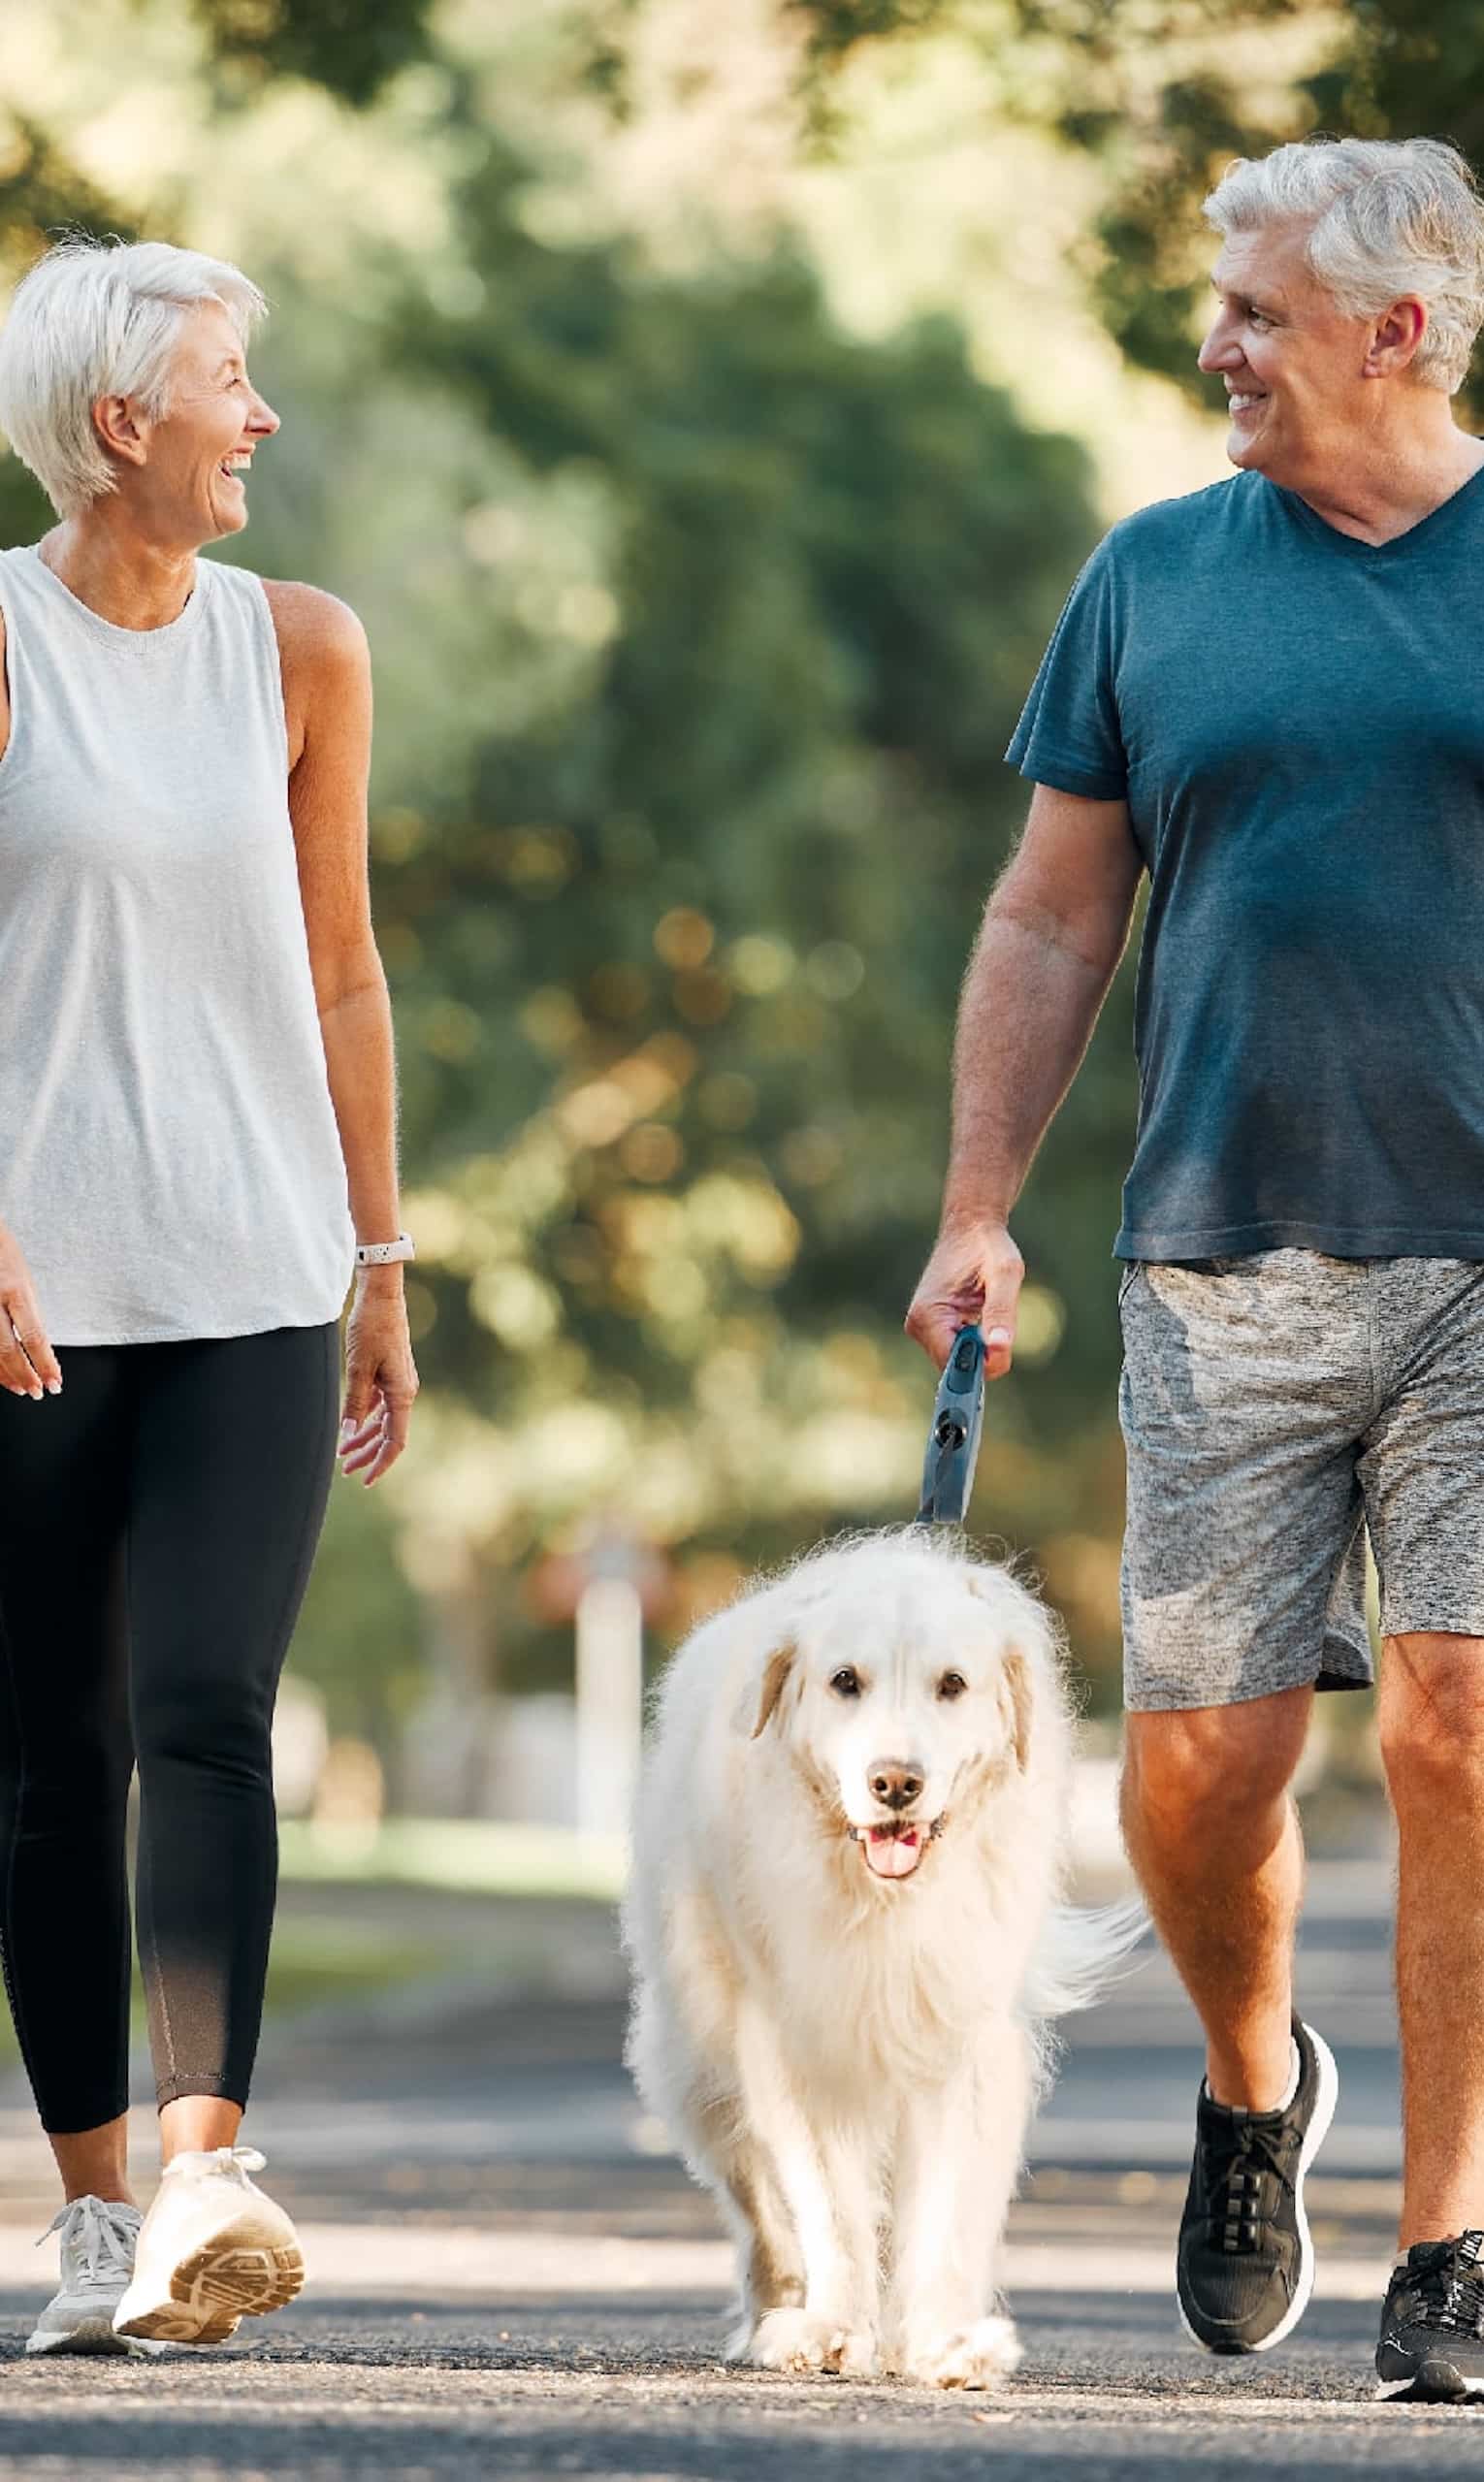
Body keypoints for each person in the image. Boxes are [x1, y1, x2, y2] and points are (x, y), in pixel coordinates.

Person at [907, 134, 1484, 2404]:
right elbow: (1055, 916)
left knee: (1459, 1719)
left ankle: (1452, 2235)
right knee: (1201, 1770)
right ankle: (1259, 2082)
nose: (1217, 343)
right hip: (1222, 1246)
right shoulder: (1153, 576)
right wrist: (977, 1201)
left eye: (1257, 310)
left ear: (1397, 330)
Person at [0, 238, 418, 2353]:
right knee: (51, 1753)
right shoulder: (0, 637)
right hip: (31, 1290)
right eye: (225, 382)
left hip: (254, 1267)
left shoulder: (303, 647)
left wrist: (379, 1257)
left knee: (208, 1713)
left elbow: (342, 969)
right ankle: (92, 2214)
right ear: (116, 423)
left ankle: (202, 2173)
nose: (258, 416)